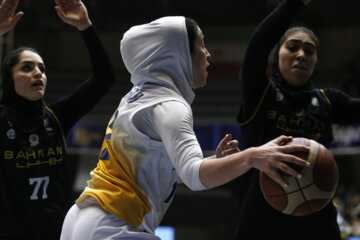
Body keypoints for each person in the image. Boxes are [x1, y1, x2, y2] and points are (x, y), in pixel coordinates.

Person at [60, 16, 311, 240]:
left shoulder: (137, 95)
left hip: (81, 219)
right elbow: (194, 175)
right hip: (113, 224)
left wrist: (216, 161)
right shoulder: (170, 105)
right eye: (201, 45)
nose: (208, 54)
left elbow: (155, 169)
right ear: (177, 53)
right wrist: (254, 156)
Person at [235, 0, 360, 239]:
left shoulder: (328, 101)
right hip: (261, 222)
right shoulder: (260, 94)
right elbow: (258, 45)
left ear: (316, 61)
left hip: (317, 223)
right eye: (292, 47)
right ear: (277, 54)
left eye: (309, 51)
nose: (301, 55)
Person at [0, 0, 116, 239]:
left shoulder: (56, 117)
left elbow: (104, 77)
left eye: (42, 69)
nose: (38, 74)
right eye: (27, 68)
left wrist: (85, 26)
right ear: (9, 79)